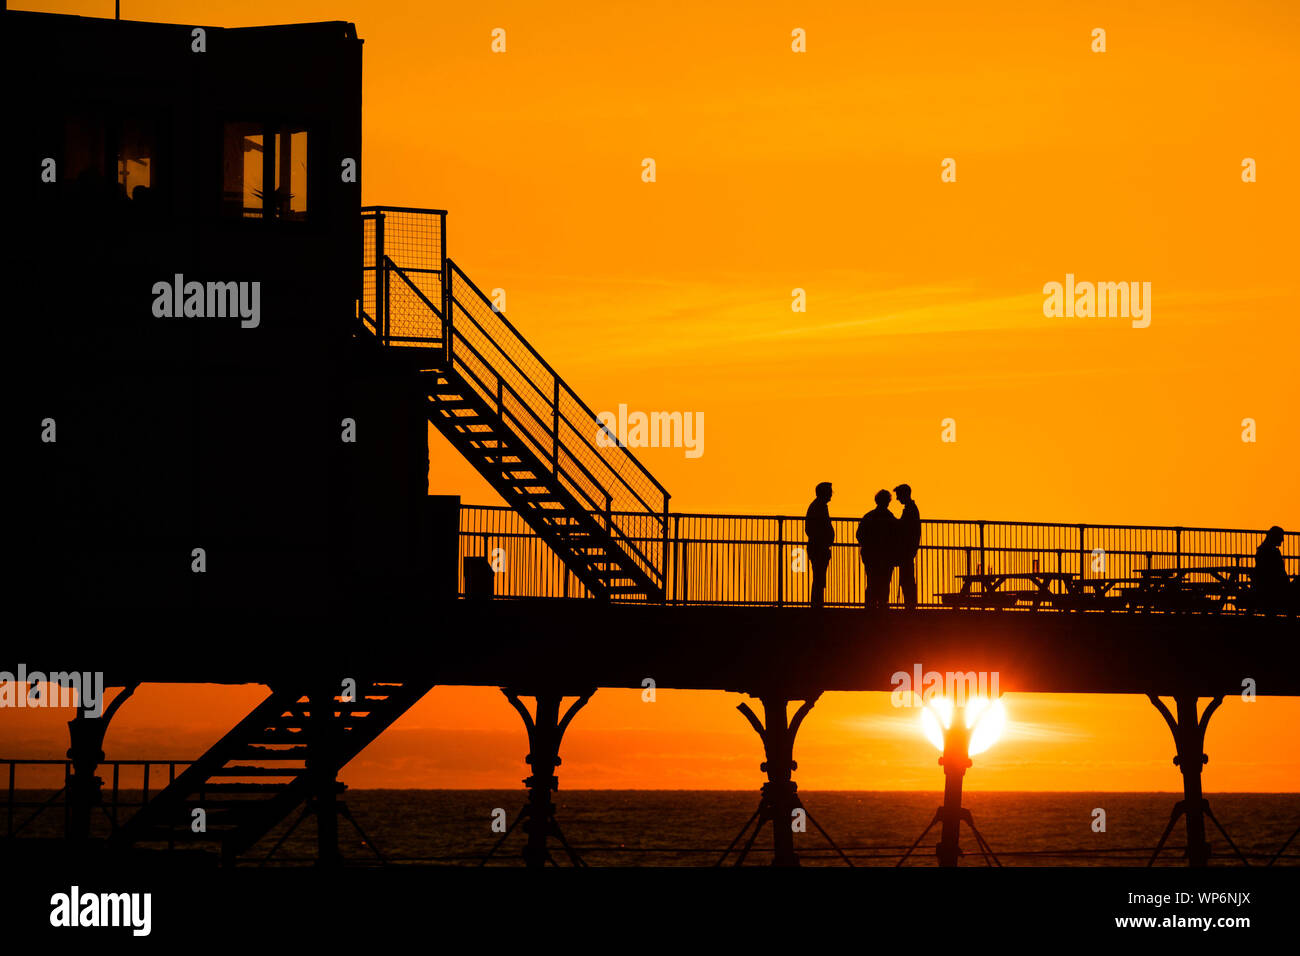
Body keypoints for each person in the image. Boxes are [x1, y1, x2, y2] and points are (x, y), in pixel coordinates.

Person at [856, 489, 898, 611]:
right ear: (888, 502)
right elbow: (897, 535)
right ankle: (883, 604)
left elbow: (859, 535)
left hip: (871, 555)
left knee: (872, 580)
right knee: (885, 581)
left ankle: (870, 605)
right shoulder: (890, 518)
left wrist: (868, 546)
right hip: (886, 556)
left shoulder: (869, 516)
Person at [805, 482, 835, 608]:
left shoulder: (818, 506)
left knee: (819, 577)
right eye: (830, 492)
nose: (831, 495)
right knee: (819, 577)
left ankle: (817, 603)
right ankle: (817, 605)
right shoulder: (819, 506)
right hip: (819, 547)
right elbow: (813, 529)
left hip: (819, 547)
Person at [894, 483, 921, 609]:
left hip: (907, 549)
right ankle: (910, 603)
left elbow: (906, 528)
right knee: (907, 577)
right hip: (908, 549)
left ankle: (910, 604)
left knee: (907, 578)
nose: (897, 498)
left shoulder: (910, 509)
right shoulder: (911, 508)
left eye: (899, 495)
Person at [1251, 526, 1289, 612]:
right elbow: (1279, 573)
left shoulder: (1261, 550)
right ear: (1276, 537)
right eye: (1281, 537)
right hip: (1274, 590)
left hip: (1263, 587)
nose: (1282, 540)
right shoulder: (1274, 552)